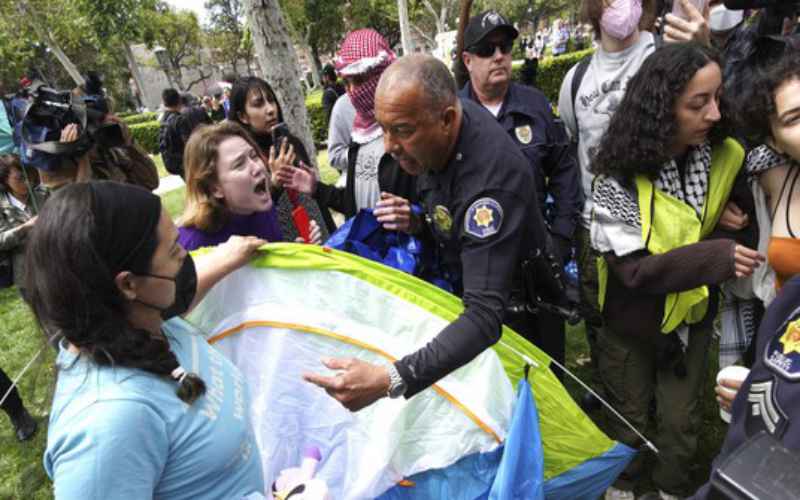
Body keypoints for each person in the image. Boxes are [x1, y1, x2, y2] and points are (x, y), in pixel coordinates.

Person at [303, 55, 549, 413]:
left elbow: (483, 317)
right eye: (383, 128)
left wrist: (391, 378)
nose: (389, 145)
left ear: (448, 119)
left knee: (526, 424)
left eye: (402, 130)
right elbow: (449, 217)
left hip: (518, 322)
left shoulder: (491, 185)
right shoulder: (435, 131)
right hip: (467, 297)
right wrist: (420, 224)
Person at [589, 43, 763, 500]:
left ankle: (669, 490)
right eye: (697, 103)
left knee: (681, 423)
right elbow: (633, 273)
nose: (713, 113)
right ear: (661, 108)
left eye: (718, 98)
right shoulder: (617, 177)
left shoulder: (724, 154)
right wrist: (715, 257)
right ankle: (621, 487)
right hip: (632, 319)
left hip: (690, 316)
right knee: (627, 417)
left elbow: (753, 194)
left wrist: (738, 213)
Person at [26, 180, 267, 498]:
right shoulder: (107, 423)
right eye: (173, 250)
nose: (185, 254)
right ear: (127, 284)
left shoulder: (144, 319)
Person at [558, 0, 710, 409]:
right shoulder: (575, 80)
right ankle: (624, 411)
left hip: (665, 218)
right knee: (610, 325)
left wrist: (706, 46)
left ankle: (671, 411)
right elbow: (575, 149)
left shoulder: (663, 55)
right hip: (601, 225)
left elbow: (711, 114)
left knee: (667, 309)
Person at [458, 10, 582, 370]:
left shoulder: (534, 105)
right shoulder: (454, 115)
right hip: (482, 264)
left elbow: (563, 172)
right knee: (495, 366)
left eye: (505, 47)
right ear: (467, 60)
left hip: (538, 258)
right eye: (486, 49)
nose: (499, 56)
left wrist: (560, 237)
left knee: (549, 362)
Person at [277, 29, 417, 221]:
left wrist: (415, 221)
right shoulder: (358, 136)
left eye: (359, 80)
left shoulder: (411, 133)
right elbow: (353, 204)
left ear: (383, 74)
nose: (353, 91)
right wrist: (316, 188)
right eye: (347, 82)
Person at [178, 121, 321, 251]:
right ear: (214, 188)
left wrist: (299, 255)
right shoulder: (193, 246)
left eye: (254, 156)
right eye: (239, 164)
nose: (258, 167)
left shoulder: (260, 208)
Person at [227, 76, 335, 237]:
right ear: (243, 116)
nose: (270, 109)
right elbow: (250, 216)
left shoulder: (292, 143)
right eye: (258, 104)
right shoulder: (246, 161)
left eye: (271, 101)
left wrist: (332, 233)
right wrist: (274, 184)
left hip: (318, 231)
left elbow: (315, 197)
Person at [0, 154, 43, 441]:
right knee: (51, 325)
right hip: (28, 275)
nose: (24, 183)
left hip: (58, 266)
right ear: (5, 180)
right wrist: (26, 228)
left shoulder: (41, 193)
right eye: (18, 178)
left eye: (26, 175)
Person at [158, 88, 191, 178]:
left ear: (164, 103)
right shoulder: (179, 120)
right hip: (184, 161)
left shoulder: (163, 120)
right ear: (179, 100)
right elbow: (189, 143)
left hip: (171, 161)